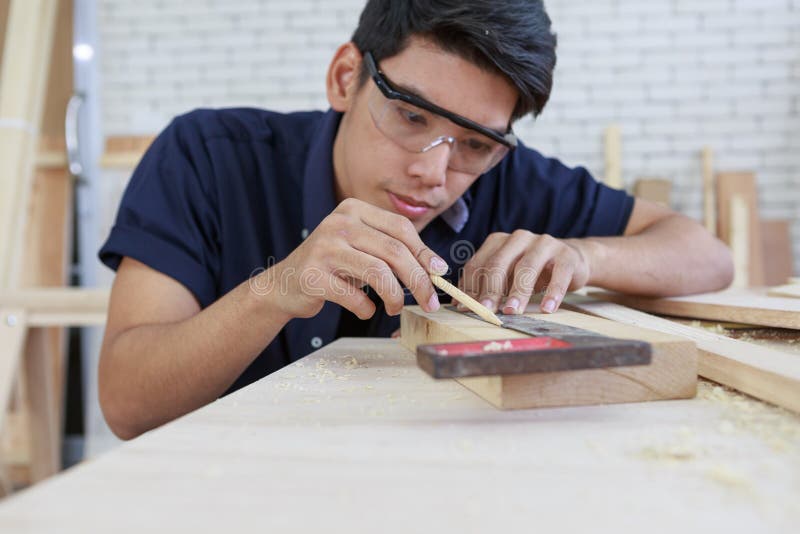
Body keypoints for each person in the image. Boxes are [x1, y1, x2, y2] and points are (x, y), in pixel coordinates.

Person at [97, 0, 733, 439]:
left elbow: (706, 255)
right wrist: (278, 287)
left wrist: (586, 257)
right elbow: (127, 404)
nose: (435, 172)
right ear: (347, 77)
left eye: (475, 144)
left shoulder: (510, 175)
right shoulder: (208, 157)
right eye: (411, 118)